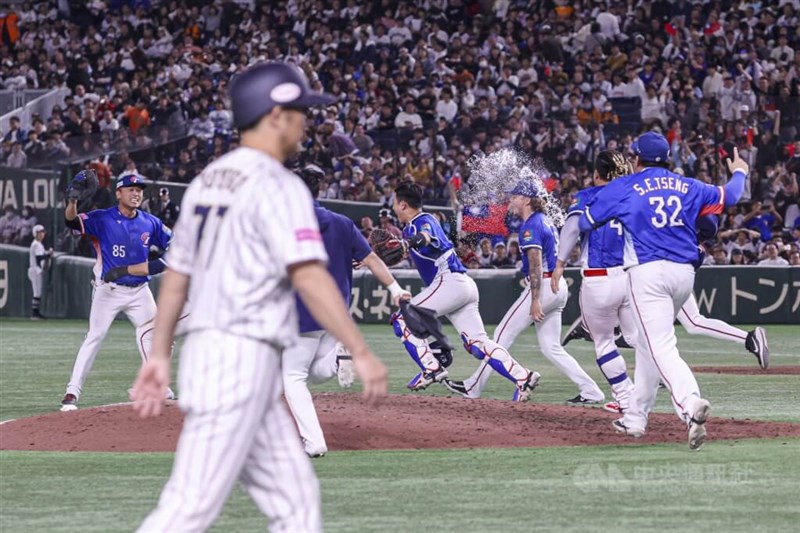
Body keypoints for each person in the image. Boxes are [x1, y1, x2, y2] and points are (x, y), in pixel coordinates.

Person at [130, 62, 387, 532]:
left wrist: (161, 355)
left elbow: (177, 278)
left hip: (237, 361)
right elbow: (309, 277)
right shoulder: (280, 186)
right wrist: (361, 349)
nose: (305, 122)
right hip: (238, 362)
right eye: (298, 111)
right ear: (274, 116)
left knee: (297, 505)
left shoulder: (208, 180)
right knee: (187, 509)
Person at [579, 131, 748, 450]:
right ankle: (635, 418)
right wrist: (740, 170)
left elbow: (587, 220)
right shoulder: (689, 185)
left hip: (648, 274)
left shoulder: (627, 186)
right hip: (684, 275)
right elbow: (732, 196)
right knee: (646, 342)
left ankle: (690, 405)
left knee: (660, 346)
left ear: (636, 159)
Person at [283, 164, 410, 458]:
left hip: (302, 311)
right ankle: (340, 356)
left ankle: (314, 442)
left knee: (292, 376)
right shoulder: (341, 222)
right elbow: (372, 259)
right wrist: (395, 290)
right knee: (313, 373)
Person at [444, 181, 604, 404]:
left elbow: (536, 265)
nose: (510, 200)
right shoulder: (543, 221)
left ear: (527, 200)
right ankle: (591, 390)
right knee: (551, 347)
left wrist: (536, 300)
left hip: (544, 286)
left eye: (515, 196)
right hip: (556, 287)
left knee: (501, 334)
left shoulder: (531, 226)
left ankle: (476, 386)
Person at [389, 180, 540, 401]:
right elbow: (410, 246)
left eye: (394, 202)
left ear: (403, 204)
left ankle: (432, 367)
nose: (393, 207)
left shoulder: (422, 220)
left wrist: (410, 242)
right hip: (460, 285)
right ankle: (523, 376)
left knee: (402, 319)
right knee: (478, 344)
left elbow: (426, 237)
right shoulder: (410, 228)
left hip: (449, 281)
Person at [60, 172, 176, 411]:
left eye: (139, 190)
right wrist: (71, 201)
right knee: (94, 337)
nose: (136, 193)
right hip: (108, 291)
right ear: (118, 193)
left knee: (156, 335)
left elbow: (175, 244)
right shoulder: (102, 218)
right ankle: (72, 392)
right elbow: (71, 222)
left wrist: (159, 264)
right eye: (131, 189)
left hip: (139, 291)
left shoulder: (150, 222)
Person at [550, 150, 637, 414]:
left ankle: (625, 397)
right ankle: (653, 386)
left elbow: (573, 229)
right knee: (639, 339)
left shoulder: (587, 197)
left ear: (596, 174)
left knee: (604, 343)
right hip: (631, 276)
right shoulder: (632, 195)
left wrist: (560, 264)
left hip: (599, 279)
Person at [28, 224, 52, 320]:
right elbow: (39, 258)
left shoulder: (39, 244)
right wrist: (48, 254)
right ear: (36, 234)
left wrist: (47, 253)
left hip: (36, 269)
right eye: (40, 232)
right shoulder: (36, 244)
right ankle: (35, 314)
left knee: (38, 291)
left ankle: (36, 313)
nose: (42, 234)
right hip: (35, 270)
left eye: (43, 232)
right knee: (37, 292)